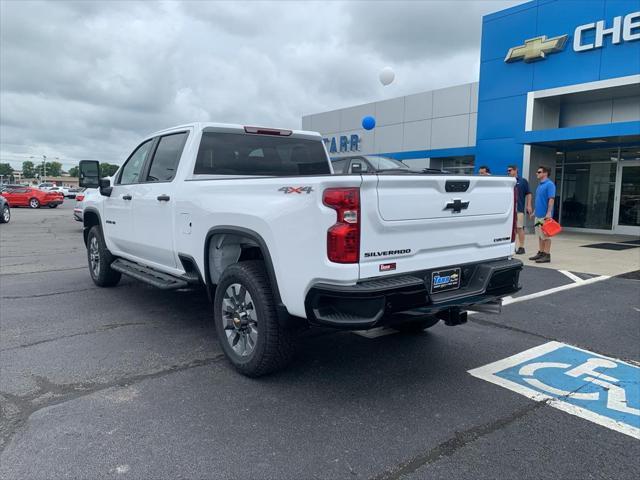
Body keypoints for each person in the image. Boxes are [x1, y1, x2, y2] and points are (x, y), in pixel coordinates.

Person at [529, 165, 556, 263]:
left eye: (539, 172)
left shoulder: (550, 184)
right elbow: (539, 200)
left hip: (545, 216)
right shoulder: (540, 185)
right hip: (538, 215)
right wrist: (535, 212)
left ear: (545, 173)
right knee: (540, 235)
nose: (537, 173)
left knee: (546, 236)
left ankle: (547, 255)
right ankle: (541, 252)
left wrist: (549, 213)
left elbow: (551, 199)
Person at [508, 165, 532, 255]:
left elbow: (529, 193)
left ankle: (521, 247)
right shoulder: (508, 181)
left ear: (515, 170)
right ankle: (511, 246)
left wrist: (529, 205)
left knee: (519, 228)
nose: (508, 172)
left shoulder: (523, 181)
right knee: (511, 229)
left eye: (510, 170)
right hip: (509, 210)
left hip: (519, 209)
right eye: (508, 171)